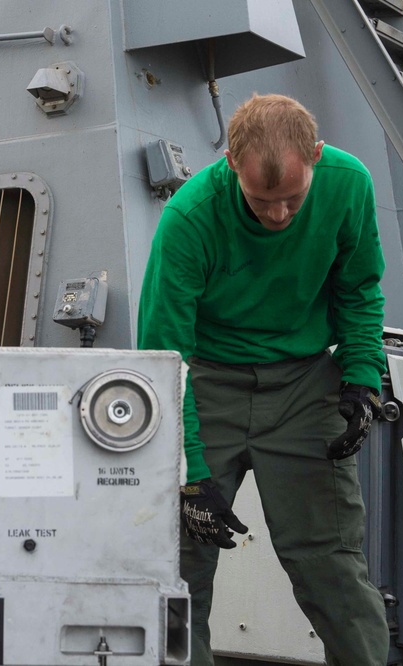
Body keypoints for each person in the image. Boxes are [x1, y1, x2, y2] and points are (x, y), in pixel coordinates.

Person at [137, 93, 388, 665]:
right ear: (230, 163)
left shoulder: (349, 184)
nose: (277, 215)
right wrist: (191, 476)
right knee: (180, 567)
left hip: (305, 387)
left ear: (317, 157)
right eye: (261, 200)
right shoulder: (189, 218)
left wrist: (361, 378)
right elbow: (165, 355)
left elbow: (359, 288)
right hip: (205, 383)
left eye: (292, 199)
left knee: (332, 564)